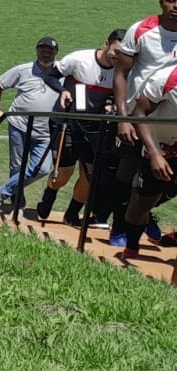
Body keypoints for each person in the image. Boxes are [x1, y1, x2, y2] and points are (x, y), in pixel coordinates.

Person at [37, 30, 124, 225]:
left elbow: (119, 95)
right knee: (64, 172)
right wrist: (63, 91)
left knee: (91, 174)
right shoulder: (79, 59)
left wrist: (111, 104)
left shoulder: (121, 71)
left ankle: (71, 214)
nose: (118, 57)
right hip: (66, 121)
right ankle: (50, 193)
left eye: (122, 53)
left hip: (93, 127)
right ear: (106, 44)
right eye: (116, 51)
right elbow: (51, 76)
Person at [0, 38, 63, 217]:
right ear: (36, 51)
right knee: (17, 166)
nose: (46, 54)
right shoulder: (23, 70)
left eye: (50, 51)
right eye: (43, 50)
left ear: (56, 53)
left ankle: (0, 192)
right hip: (19, 125)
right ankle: (17, 203)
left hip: (46, 132)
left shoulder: (63, 72)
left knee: (42, 168)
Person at [119, 66, 177, 262]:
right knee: (142, 204)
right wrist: (154, 154)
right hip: (161, 150)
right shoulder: (166, 79)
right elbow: (139, 113)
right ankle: (131, 247)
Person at [112, 0, 177, 144]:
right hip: (139, 115)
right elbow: (120, 74)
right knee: (129, 161)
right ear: (161, 3)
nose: (175, 6)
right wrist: (123, 118)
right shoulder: (141, 30)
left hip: (172, 119)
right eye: (170, 0)